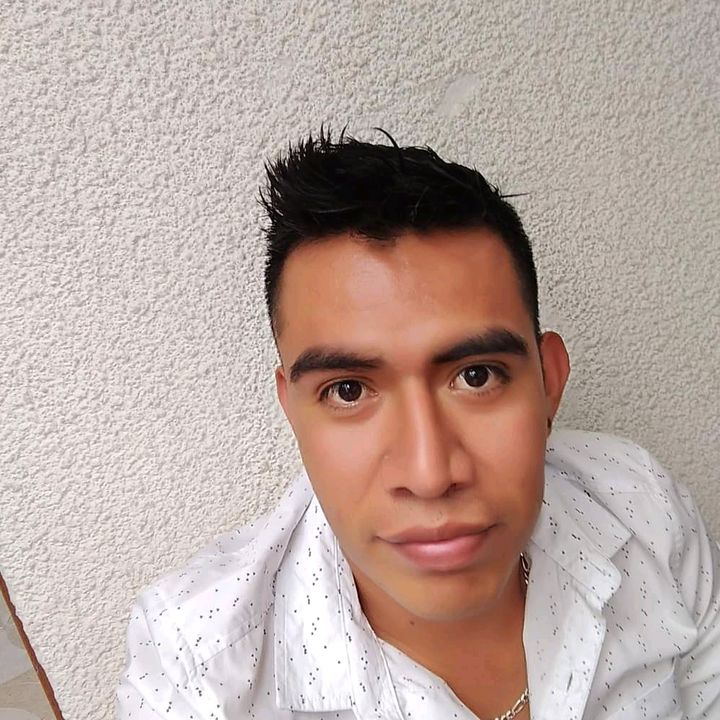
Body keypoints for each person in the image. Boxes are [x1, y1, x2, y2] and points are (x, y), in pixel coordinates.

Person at [117, 130, 719, 720]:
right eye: (348, 390)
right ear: (292, 410)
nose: (430, 476)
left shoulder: (644, 510)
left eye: (476, 376)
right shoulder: (198, 670)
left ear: (549, 381)